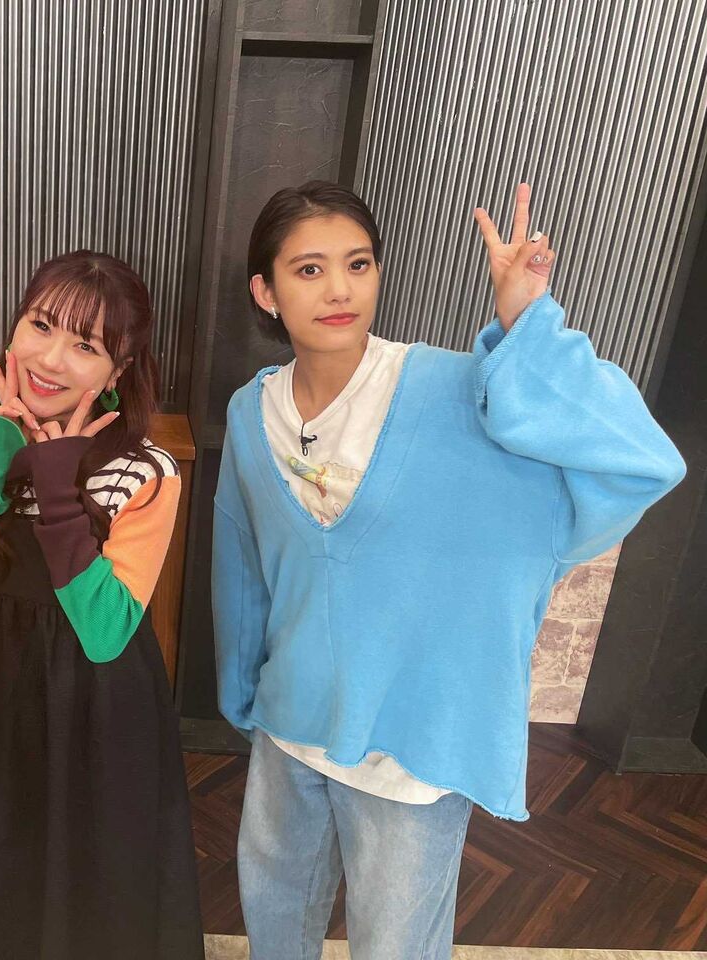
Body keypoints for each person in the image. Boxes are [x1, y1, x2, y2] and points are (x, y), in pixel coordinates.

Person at [212, 182, 685, 959]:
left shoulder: (457, 391)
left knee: (396, 945)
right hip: (292, 725)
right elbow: (242, 564)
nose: (339, 290)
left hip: (412, 750)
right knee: (276, 924)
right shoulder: (250, 411)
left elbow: (640, 459)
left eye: (358, 264)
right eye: (309, 270)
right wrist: (243, 692)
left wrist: (528, 327)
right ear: (265, 292)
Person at [0, 251, 205, 959]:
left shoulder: (145, 469)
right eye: (41, 326)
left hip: (100, 697)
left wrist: (61, 493)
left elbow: (105, 633)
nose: (50, 359)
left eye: (85, 345)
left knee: (101, 878)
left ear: (117, 370)